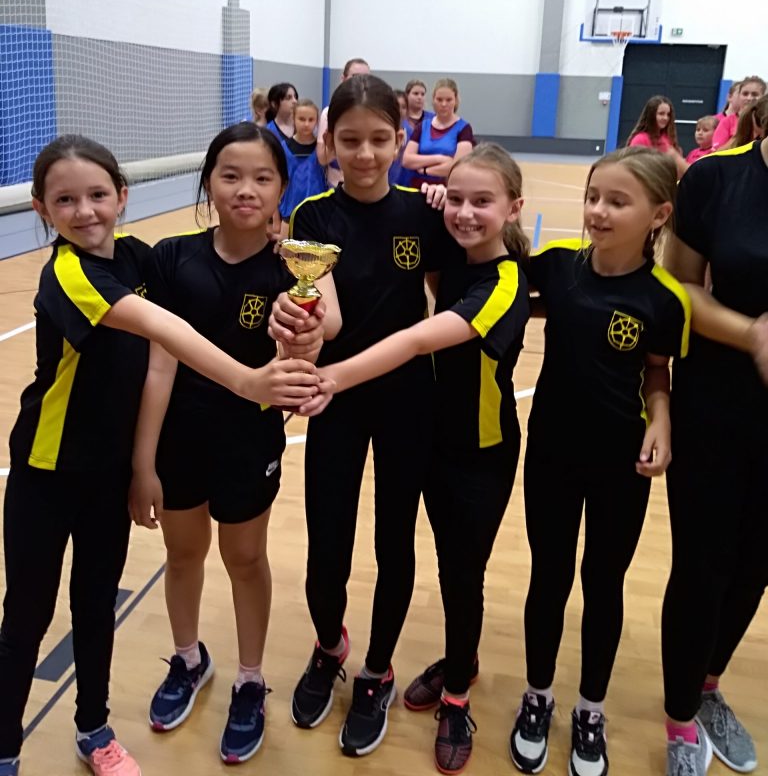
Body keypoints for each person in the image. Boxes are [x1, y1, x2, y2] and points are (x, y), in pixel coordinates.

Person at [0, 136, 320, 776]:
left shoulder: (141, 258)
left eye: (98, 195)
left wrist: (282, 265)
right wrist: (248, 381)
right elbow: (162, 329)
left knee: (97, 607)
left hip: (108, 475)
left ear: (122, 196)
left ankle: (94, 730)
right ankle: (6, 750)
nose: (85, 211)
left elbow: (205, 292)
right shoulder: (68, 273)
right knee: (27, 616)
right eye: (65, 200)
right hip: (47, 472)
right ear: (41, 208)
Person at [299, 143, 530, 774]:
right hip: (427, 434)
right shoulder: (452, 256)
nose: (465, 212)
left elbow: (416, 339)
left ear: (514, 208)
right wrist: (437, 201)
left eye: (482, 202)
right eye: (456, 199)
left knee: (462, 576)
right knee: (404, 549)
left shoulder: (504, 281)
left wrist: (332, 378)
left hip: (479, 453)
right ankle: (451, 661)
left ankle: (457, 696)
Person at [269, 74, 462, 759]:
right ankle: (330, 647)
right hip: (335, 395)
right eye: (350, 140)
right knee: (327, 540)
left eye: (380, 139)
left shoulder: (424, 214)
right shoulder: (313, 217)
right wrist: (299, 327)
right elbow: (322, 310)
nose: (366, 153)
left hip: (408, 398)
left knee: (393, 541)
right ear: (330, 142)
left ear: (401, 138)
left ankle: (377, 671)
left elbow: (445, 301)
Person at [127, 124, 323, 764]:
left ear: (282, 188)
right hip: (179, 440)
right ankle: (188, 659)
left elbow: (314, 343)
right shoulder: (171, 258)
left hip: (249, 441)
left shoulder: (296, 268)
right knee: (183, 553)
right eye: (230, 176)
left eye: (262, 178)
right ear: (208, 182)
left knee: (244, 558)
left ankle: (250, 679)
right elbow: (160, 364)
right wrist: (143, 462)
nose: (245, 189)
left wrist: (305, 337)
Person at [508, 147, 690, 776]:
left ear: (658, 214)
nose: (598, 211)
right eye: (593, 197)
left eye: (617, 201)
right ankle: (537, 696)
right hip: (550, 453)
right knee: (548, 577)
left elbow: (658, 372)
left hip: (621, 465)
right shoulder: (557, 265)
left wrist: (661, 418)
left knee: (603, 583)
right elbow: (492, 265)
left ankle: (590, 708)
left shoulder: (665, 299)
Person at [660, 130, 768, 776]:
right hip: (715, 407)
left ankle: (707, 687)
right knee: (703, 567)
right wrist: (755, 335)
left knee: (757, 564)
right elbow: (678, 291)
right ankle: (679, 717)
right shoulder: (714, 179)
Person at [402, 79, 476, 186]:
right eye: (439, 99)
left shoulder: (464, 128)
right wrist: (439, 159)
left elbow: (459, 167)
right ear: (433, 100)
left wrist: (425, 170)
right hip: (418, 188)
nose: (444, 104)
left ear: (456, 100)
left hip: (447, 189)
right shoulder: (423, 126)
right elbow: (407, 160)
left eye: (448, 100)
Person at [317, 58, 370, 187]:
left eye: (366, 78)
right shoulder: (329, 114)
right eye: (355, 76)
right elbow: (322, 158)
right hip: (337, 185)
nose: (360, 82)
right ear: (343, 79)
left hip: (366, 185)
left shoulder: (374, 115)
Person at [279, 100, 327, 234]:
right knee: (285, 248)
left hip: (317, 211)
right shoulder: (283, 147)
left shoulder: (321, 150)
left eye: (311, 120)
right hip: (289, 211)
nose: (306, 124)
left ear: (317, 121)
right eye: (301, 119)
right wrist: (276, 219)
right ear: (293, 119)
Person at [626, 96, 688, 177]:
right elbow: (632, 167)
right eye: (661, 114)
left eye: (668, 114)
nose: (665, 118)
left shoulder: (668, 138)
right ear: (651, 115)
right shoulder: (640, 139)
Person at [711, 75, 766, 150]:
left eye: (754, 94)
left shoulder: (765, 122)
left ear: (763, 97)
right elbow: (718, 152)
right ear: (739, 96)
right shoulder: (727, 122)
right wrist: (740, 134)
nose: (749, 98)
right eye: (745, 94)